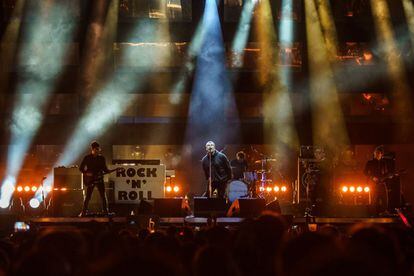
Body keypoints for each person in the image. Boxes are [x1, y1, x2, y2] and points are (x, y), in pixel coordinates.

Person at [79, 141, 117, 216]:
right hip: (90, 180)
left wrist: (112, 170)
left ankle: (106, 211)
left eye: (98, 149)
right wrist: (87, 173)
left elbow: (105, 170)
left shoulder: (101, 158)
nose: (97, 150)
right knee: (88, 196)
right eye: (96, 149)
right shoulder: (87, 158)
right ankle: (84, 212)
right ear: (92, 149)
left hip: (99, 179)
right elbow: (81, 168)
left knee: (103, 195)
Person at [363, 146, 396, 214]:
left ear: (381, 154)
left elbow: (386, 173)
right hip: (373, 183)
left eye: (379, 153)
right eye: (376, 153)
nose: (377, 154)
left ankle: (383, 212)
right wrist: (372, 177)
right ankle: (373, 213)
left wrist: (389, 176)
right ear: (374, 154)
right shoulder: (370, 162)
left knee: (385, 198)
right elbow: (365, 172)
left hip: (382, 183)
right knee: (373, 199)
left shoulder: (383, 163)